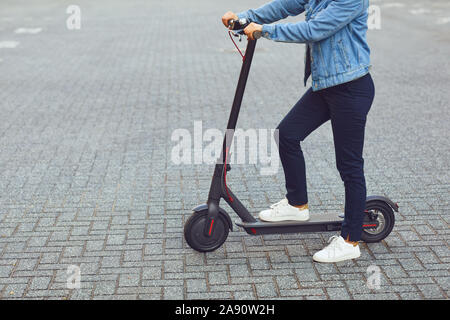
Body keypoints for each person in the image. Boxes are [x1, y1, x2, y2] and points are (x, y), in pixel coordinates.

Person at [222, 0, 375, 263]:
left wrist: (262, 30)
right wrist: (243, 17)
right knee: (287, 134)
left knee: (349, 165)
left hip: (351, 88)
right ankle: (297, 204)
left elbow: (314, 29)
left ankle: (350, 240)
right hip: (326, 86)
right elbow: (284, 5)